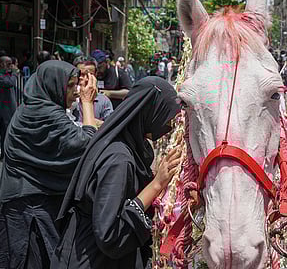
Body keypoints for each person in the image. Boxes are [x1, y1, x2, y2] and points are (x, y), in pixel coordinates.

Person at [52, 77, 182, 269]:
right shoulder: (119, 159)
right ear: (150, 113)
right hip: (92, 259)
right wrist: (157, 184)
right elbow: (109, 235)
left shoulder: (123, 144)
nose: (168, 127)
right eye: (166, 118)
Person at [0, 60, 97, 268]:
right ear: (52, 86)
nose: (76, 92)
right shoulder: (45, 115)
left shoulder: (35, 108)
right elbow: (87, 144)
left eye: (75, 85)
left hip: (28, 202)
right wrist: (88, 104)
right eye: (70, 86)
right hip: (30, 208)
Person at [72, 56, 114, 125]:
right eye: (81, 75)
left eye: (90, 75)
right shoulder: (69, 98)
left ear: (96, 75)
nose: (86, 79)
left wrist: (99, 123)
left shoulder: (103, 101)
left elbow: (111, 126)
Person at [0, 55, 17, 160]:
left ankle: (5, 154)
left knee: (6, 133)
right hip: (4, 110)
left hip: (7, 109)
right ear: (1, 64)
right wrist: (15, 73)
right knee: (5, 132)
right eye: (9, 64)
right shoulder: (2, 76)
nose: (11, 66)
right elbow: (10, 83)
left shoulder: (6, 74)